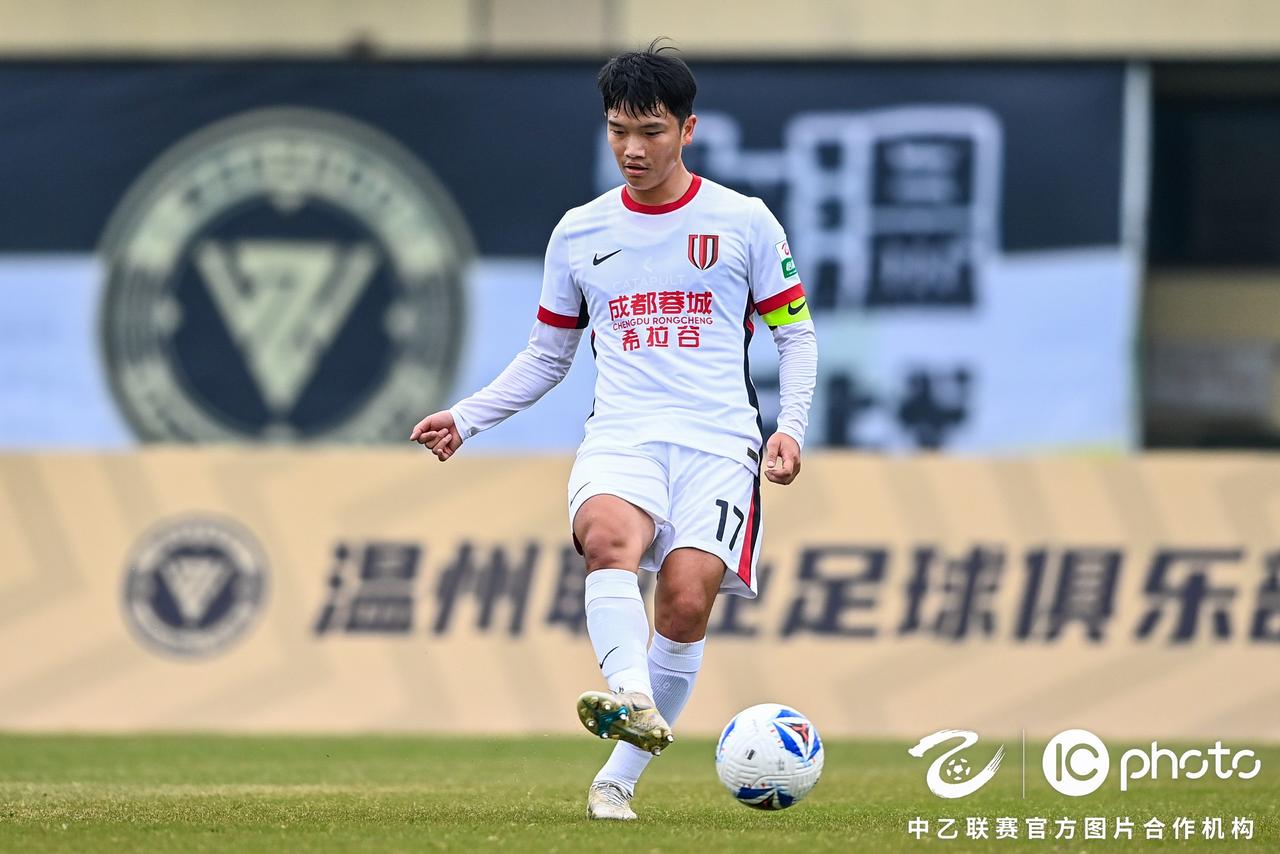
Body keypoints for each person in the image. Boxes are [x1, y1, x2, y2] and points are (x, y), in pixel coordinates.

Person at [410, 39, 817, 821]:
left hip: (718, 442)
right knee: (605, 538)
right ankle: (631, 693)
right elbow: (548, 354)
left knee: (685, 603)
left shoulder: (744, 222)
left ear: (688, 130)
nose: (632, 149)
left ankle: (616, 781)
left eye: (651, 131)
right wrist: (467, 417)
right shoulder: (579, 232)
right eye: (618, 130)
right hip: (623, 435)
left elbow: (794, 334)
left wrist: (789, 429)